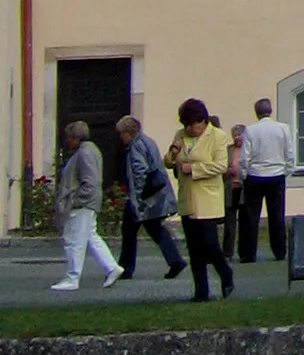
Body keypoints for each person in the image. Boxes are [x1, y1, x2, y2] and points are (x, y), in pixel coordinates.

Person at [168, 98, 235, 300]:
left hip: (208, 198)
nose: (190, 129)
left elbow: (221, 166)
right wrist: (174, 151)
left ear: (203, 121)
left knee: (209, 244)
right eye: (186, 125)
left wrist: (194, 169)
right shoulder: (181, 135)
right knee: (194, 248)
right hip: (188, 198)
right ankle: (201, 291)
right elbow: (169, 162)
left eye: (194, 125)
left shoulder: (217, 136)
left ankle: (226, 273)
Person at [49, 119, 123, 290]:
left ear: (76, 138)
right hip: (87, 203)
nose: (67, 141)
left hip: (82, 204)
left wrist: (75, 201)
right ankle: (111, 267)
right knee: (90, 236)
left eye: (69, 138)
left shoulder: (84, 153)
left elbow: (90, 182)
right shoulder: (88, 151)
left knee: (74, 240)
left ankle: (72, 277)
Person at [115, 116, 186, 281]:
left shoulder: (136, 147)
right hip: (156, 196)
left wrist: (138, 199)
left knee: (131, 230)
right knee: (155, 229)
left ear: (128, 133)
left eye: (122, 134)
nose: (121, 138)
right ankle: (175, 260)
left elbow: (140, 173)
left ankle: (126, 268)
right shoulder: (148, 141)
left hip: (144, 199)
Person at [238, 96, 296, 264]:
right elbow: (290, 152)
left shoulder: (250, 130)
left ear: (256, 113)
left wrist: (244, 175)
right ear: (270, 111)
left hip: (255, 176)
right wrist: (287, 171)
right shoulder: (283, 129)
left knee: (251, 217)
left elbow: (244, 158)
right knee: (277, 215)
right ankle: (279, 252)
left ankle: (249, 254)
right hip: (277, 175)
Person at [221, 121, 248, 260]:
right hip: (230, 189)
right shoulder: (228, 150)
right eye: (235, 135)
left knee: (244, 223)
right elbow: (221, 168)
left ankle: (244, 253)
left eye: (239, 135)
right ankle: (227, 253)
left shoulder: (248, 149)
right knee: (229, 225)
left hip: (244, 190)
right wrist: (227, 171)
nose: (237, 137)